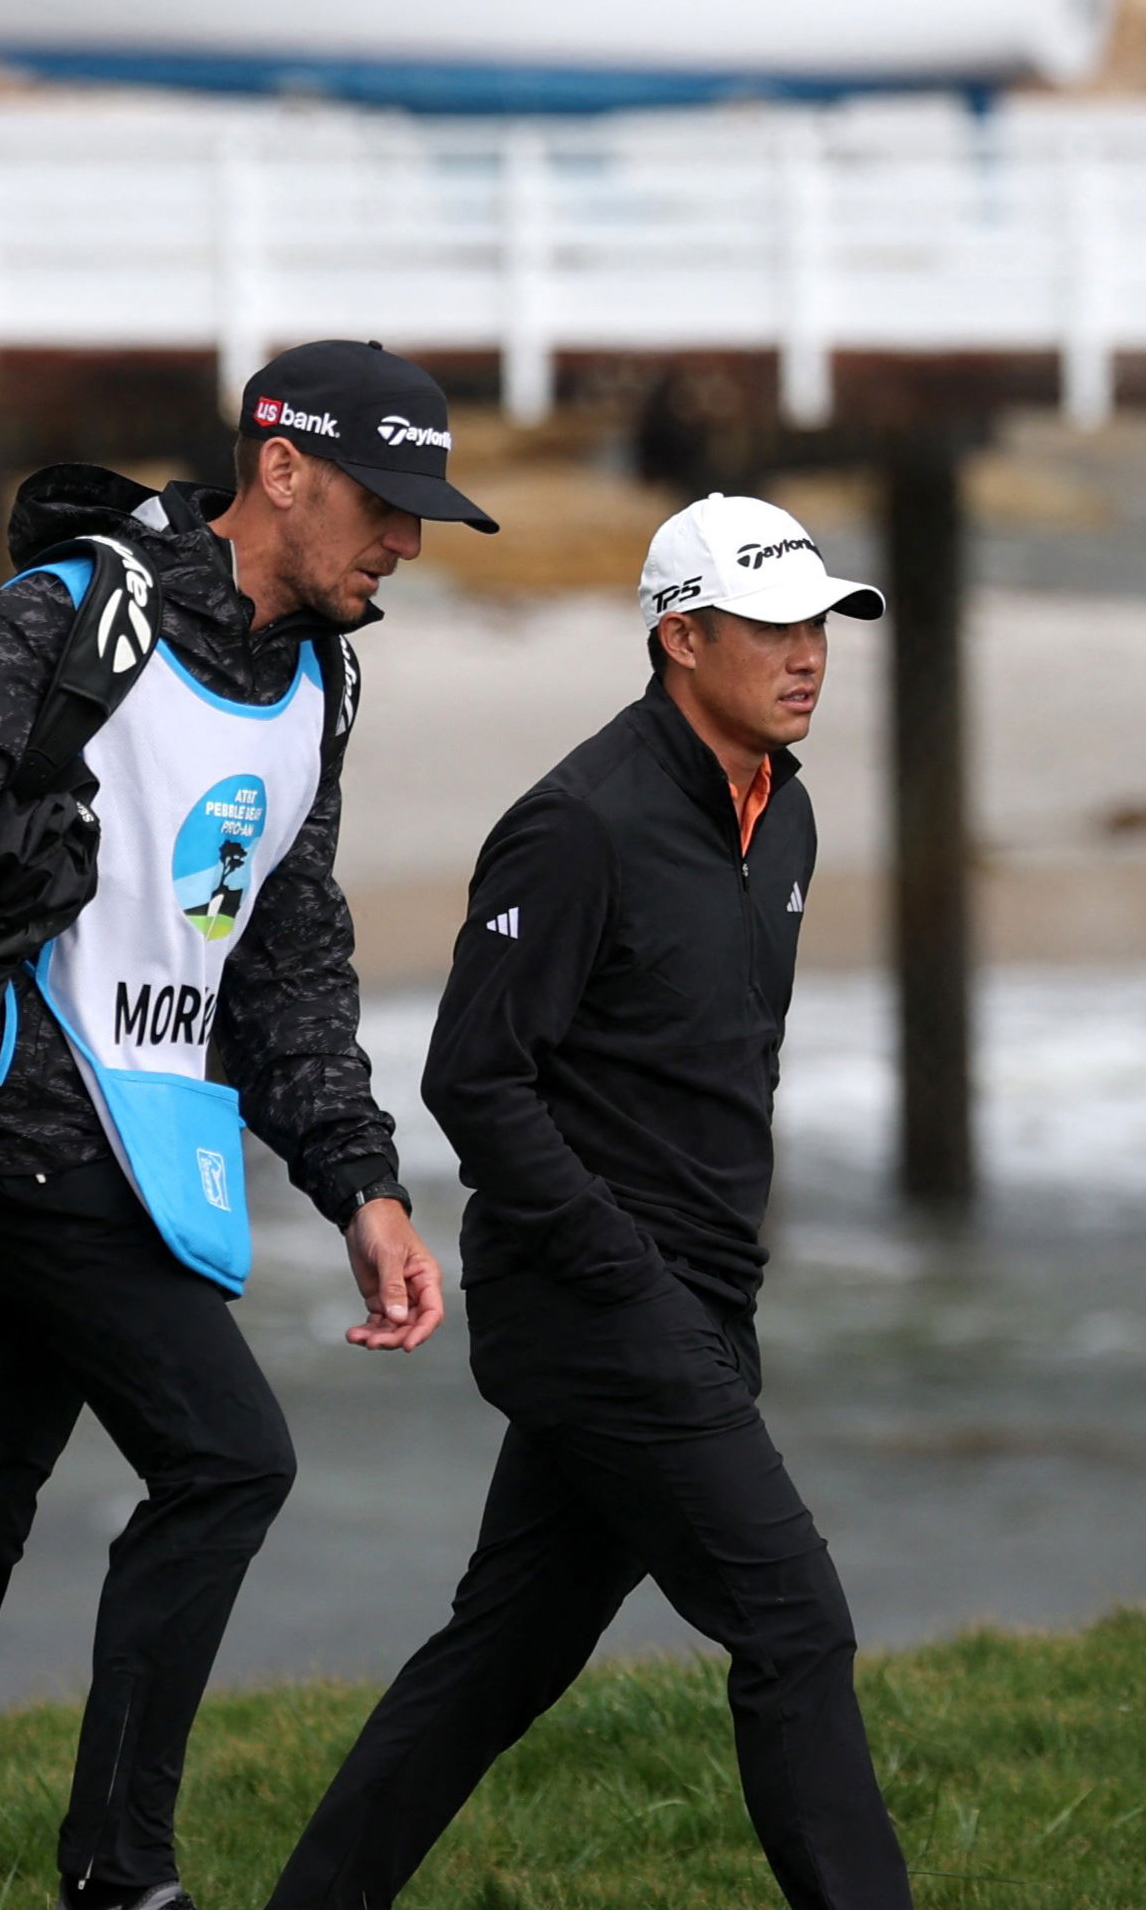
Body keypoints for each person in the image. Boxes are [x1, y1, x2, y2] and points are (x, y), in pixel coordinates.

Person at [0, 340, 482, 1910]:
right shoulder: (60, 619)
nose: (405, 540)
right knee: (228, 1460)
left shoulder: (321, 679)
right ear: (281, 469)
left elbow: (284, 954)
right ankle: (121, 1874)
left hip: (140, 1148)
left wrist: (360, 1185)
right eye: (384, 503)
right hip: (23, 1133)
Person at [264, 495, 909, 1910]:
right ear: (681, 637)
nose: (808, 654)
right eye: (772, 628)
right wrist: (618, 1267)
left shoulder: (782, 813)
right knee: (794, 1626)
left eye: (820, 625)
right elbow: (475, 1077)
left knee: (502, 1653)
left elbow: (720, 1073)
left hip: (698, 1297)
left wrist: (701, 1283)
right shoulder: (577, 825)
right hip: (598, 1307)